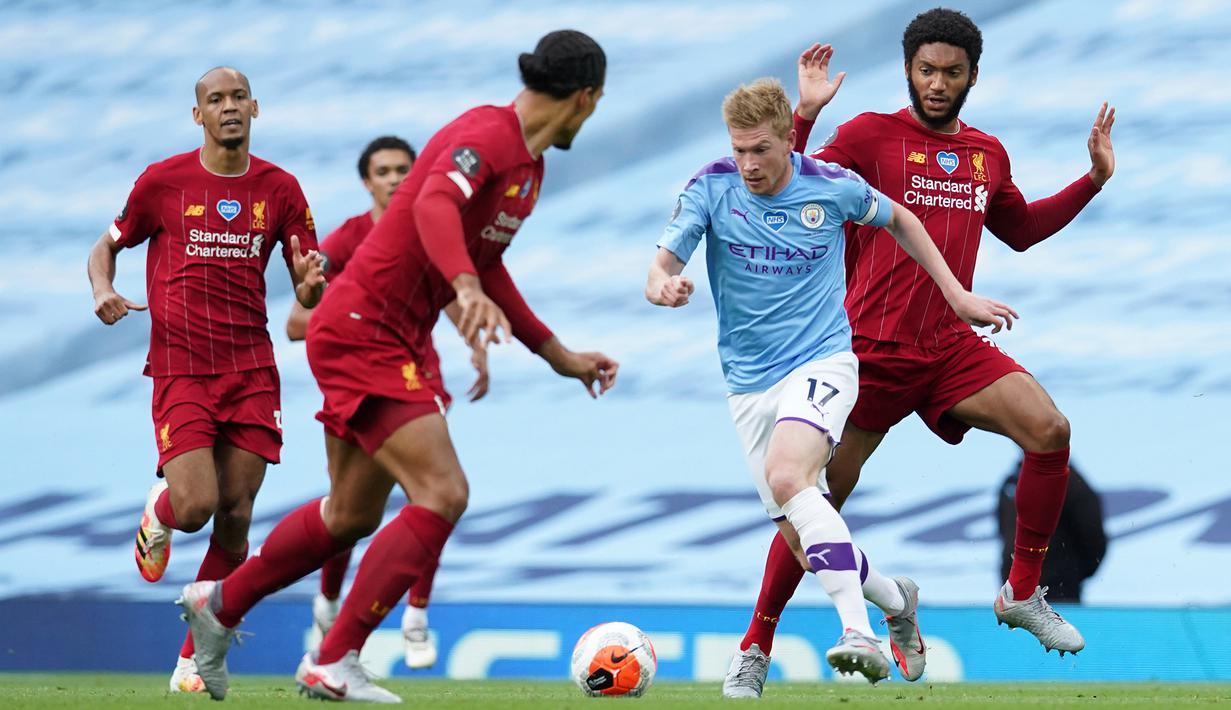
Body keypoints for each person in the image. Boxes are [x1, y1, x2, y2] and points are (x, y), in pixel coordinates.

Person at [179, 30, 618, 703]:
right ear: (585, 97)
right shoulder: (487, 134)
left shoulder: (528, 170)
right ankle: (333, 659)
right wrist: (463, 287)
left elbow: (489, 261)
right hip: (364, 331)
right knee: (443, 494)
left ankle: (221, 605)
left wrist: (558, 355)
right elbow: (437, 203)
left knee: (349, 516)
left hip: (385, 335)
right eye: (595, 103)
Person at [727, 9, 1116, 695]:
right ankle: (758, 642)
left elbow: (1019, 230)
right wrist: (807, 115)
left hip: (946, 348)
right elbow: (790, 192)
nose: (936, 84)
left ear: (971, 76)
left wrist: (1090, 181)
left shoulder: (986, 154)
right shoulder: (871, 136)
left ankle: (1021, 593)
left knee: (1048, 429)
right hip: (864, 354)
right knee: (809, 506)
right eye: (925, 70)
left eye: (951, 72)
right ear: (908, 69)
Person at [646, 77, 1014, 691]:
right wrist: (663, 287)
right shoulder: (710, 186)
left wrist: (956, 294)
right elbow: (661, 265)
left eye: (759, 149)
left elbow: (903, 219)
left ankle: (857, 633)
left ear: (789, 140)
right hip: (748, 383)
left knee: (791, 478)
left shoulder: (832, 187)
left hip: (824, 362)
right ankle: (895, 599)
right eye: (738, 149)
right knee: (801, 530)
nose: (747, 164)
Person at [86, 66, 326, 694]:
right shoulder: (163, 181)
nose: (228, 108)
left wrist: (309, 284)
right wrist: (103, 288)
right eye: (214, 100)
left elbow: (306, 271)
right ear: (198, 115)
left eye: (238, 97)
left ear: (256, 108)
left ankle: (191, 659)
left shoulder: (281, 188)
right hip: (182, 366)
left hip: (251, 368)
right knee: (196, 507)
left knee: (237, 519)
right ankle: (158, 511)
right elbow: (106, 245)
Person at [288, 136, 489, 670]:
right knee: (351, 510)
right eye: (384, 170)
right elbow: (296, 319)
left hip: (420, 379)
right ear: (366, 180)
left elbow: (445, 292)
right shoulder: (352, 237)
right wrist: (334, 307)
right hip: (361, 381)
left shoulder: (431, 227)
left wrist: (472, 340)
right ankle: (329, 602)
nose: (396, 177)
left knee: (433, 497)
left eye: (405, 168)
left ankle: (416, 617)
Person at [999, 460, 1107, 603]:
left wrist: (1068, 575)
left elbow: (1093, 538)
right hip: (1014, 590)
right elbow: (1004, 531)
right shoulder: (1012, 480)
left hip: (1058, 590)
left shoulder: (1072, 483)